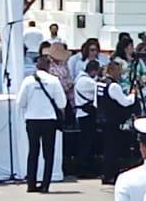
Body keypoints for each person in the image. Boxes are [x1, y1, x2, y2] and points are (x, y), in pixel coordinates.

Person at [16, 56, 67, 192]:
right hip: (49, 120)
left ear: (37, 66)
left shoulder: (28, 81)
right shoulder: (54, 81)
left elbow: (20, 102)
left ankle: (31, 184)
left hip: (32, 119)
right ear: (49, 66)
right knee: (48, 153)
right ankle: (45, 185)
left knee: (33, 152)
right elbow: (62, 102)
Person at [98, 61, 141, 185]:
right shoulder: (113, 86)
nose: (120, 74)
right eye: (118, 71)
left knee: (108, 148)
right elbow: (125, 102)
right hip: (112, 120)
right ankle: (110, 174)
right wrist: (133, 94)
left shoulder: (101, 83)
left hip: (103, 118)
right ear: (111, 71)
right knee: (112, 148)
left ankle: (107, 173)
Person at [72, 60, 102, 178]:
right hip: (86, 115)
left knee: (86, 142)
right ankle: (85, 169)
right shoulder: (87, 81)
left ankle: (85, 167)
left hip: (82, 114)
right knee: (87, 143)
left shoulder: (80, 79)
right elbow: (99, 87)